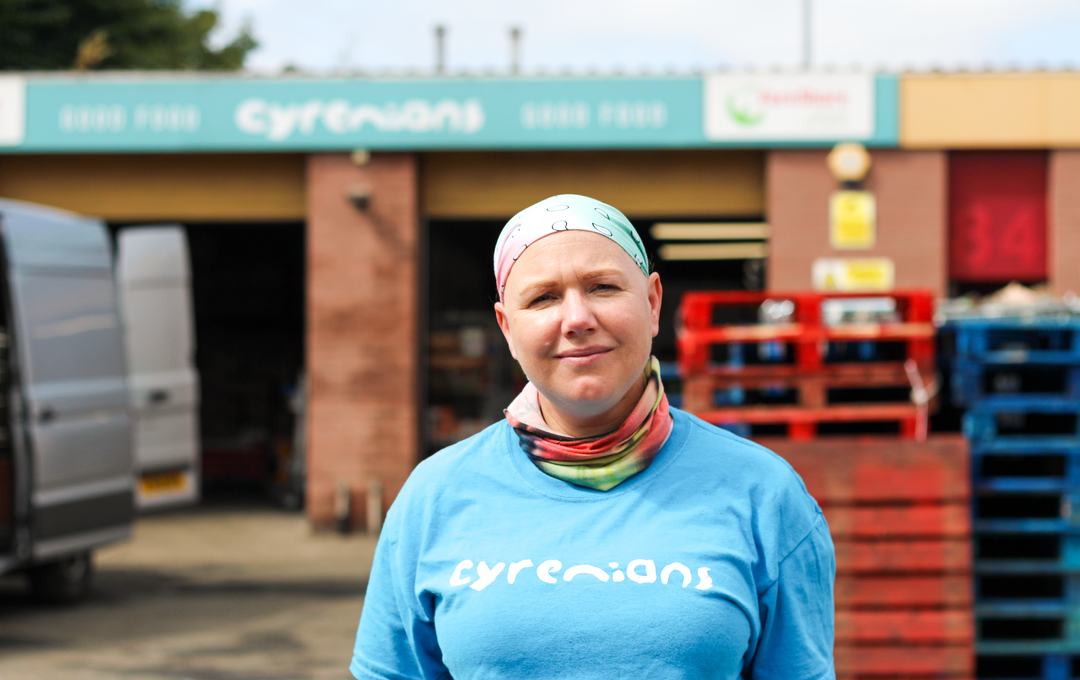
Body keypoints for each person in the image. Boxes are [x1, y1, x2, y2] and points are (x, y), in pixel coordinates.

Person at [350, 194, 835, 680]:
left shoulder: (763, 492)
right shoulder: (434, 497)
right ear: (507, 328)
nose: (577, 319)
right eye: (543, 298)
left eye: (602, 287)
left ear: (651, 303)